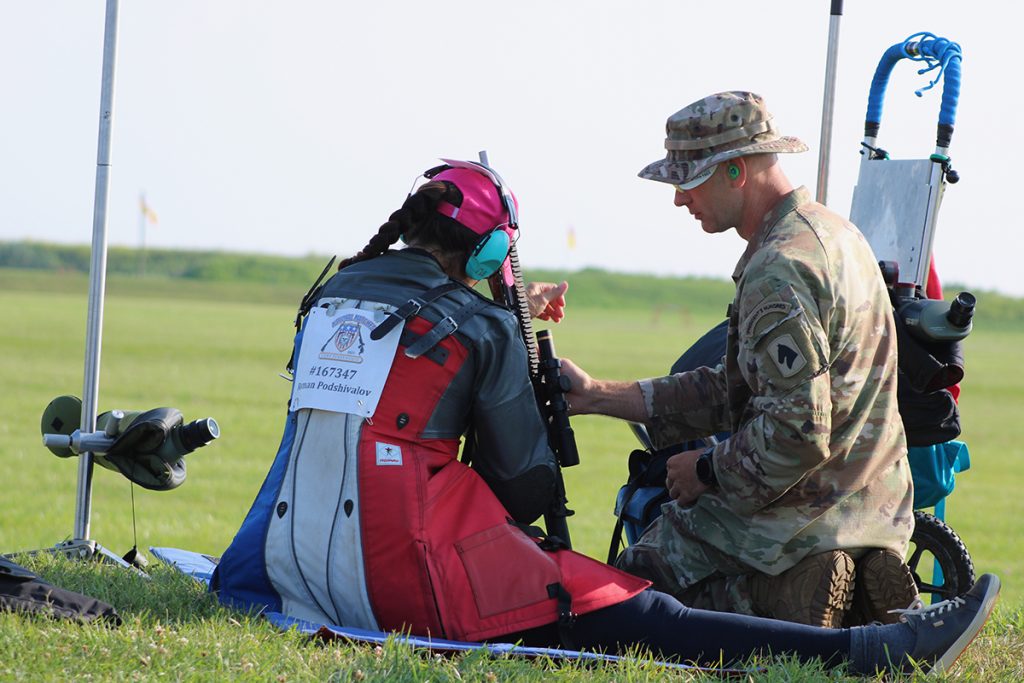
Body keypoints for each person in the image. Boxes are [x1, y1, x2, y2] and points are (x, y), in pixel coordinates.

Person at [210, 157, 999, 675]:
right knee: (635, 608)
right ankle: (870, 652)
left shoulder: (330, 299)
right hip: (407, 577)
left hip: (295, 566)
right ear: (487, 252)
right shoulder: (481, 325)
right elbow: (523, 491)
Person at [560, 91, 920, 628]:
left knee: (635, 584)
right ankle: (851, 578)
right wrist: (598, 395)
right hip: (877, 508)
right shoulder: (836, 235)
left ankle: (776, 597)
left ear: (735, 171)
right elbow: (741, 389)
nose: (679, 200)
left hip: (800, 513)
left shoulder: (778, 269)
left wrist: (706, 469)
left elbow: (799, 430)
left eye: (687, 181)